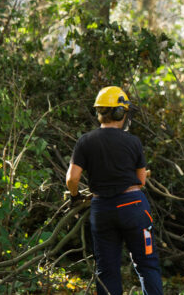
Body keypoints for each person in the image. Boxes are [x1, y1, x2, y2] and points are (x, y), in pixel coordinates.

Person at [65, 86, 163, 295]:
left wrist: (75, 196)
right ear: (120, 112)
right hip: (134, 207)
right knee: (147, 265)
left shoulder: (85, 141)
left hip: (102, 211)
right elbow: (141, 180)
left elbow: (72, 178)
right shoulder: (133, 141)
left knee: (107, 271)